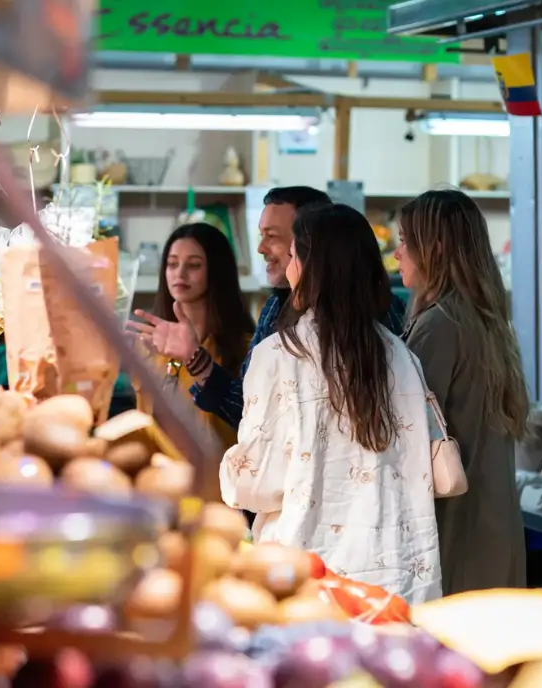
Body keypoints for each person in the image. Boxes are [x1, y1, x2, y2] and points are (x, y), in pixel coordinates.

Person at [219, 204, 441, 604]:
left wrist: (228, 473)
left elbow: (259, 481)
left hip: (308, 578)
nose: (287, 270)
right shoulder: (402, 356)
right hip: (397, 579)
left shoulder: (279, 355)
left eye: (292, 258)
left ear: (310, 268)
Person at [130, 186, 406, 432]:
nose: (261, 248)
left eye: (272, 236)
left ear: (312, 240)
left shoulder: (381, 313)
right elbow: (249, 414)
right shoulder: (276, 308)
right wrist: (195, 359)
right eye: (172, 263)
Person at [395, 188, 529, 595]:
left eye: (404, 242)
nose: (396, 254)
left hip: (457, 531)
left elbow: (407, 429)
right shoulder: (485, 320)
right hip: (493, 526)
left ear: (433, 249)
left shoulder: (440, 326)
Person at [130, 222, 255, 494]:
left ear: (216, 271)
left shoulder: (243, 348)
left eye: (194, 265)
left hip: (223, 493)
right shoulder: (152, 345)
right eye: (172, 264)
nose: (180, 273)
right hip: (159, 487)